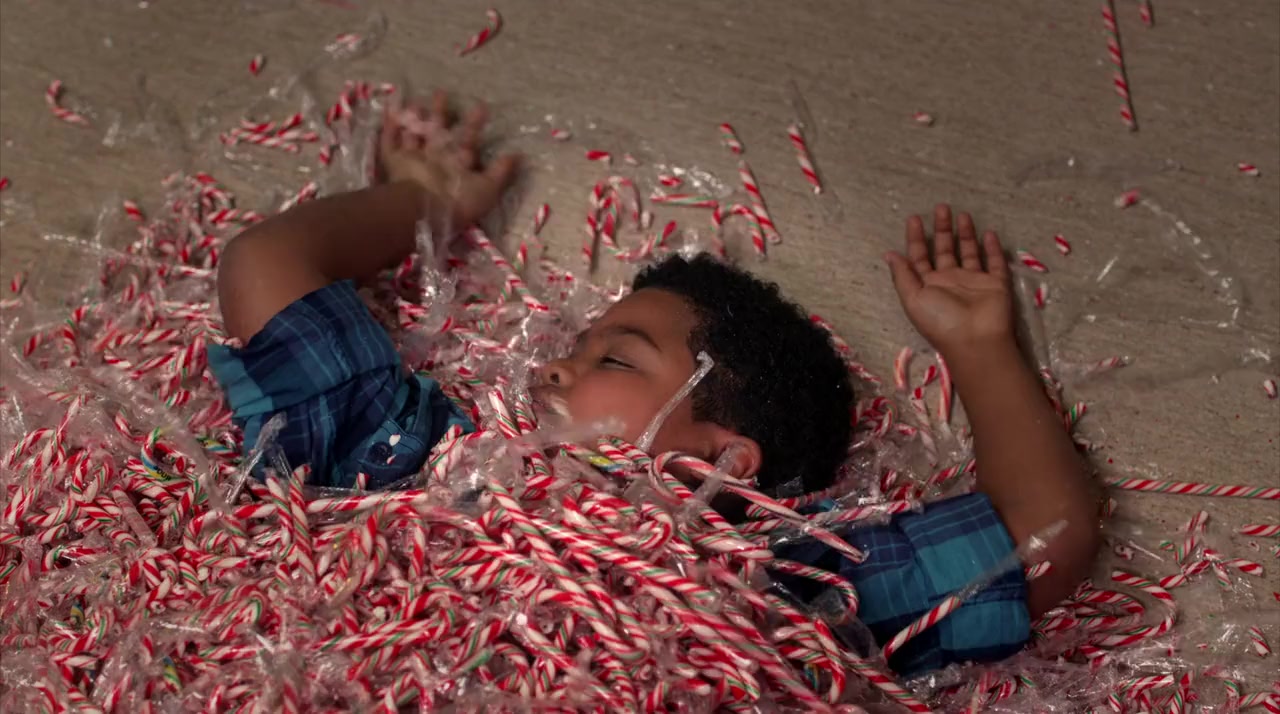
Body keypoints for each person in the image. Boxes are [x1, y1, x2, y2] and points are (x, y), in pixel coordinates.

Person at [210, 93, 1100, 675]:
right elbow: (266, 261)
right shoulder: (417, 467)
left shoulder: (771, 590)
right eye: (578, 348)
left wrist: (981, 348)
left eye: (617, 359)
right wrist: (423, 203)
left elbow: (1041, 539)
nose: (554, 366)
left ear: (725, 460)